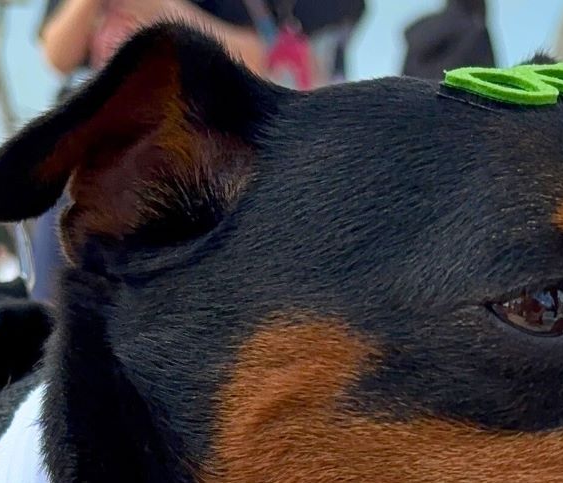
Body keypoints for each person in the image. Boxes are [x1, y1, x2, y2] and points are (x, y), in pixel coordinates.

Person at [28, 0, 364, 303]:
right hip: (100, 152)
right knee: (59, 295)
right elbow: (56, 56)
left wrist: (160, 10)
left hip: (206, 157)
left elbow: (255, 58)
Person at [402, 0, 494, 81]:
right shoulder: (476, 33)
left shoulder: (420, 34)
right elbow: (491, 85)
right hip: (455, 94)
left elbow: (402, 84)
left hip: (417, 93)